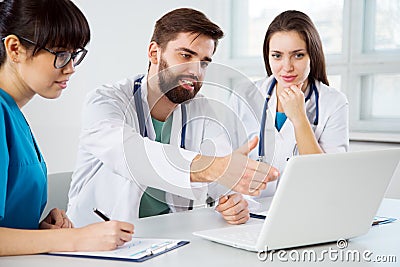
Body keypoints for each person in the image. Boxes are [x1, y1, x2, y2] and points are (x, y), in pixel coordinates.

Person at [67, 8, 279, 227]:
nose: (196, 71)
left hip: (167, 236)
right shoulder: (105, 102)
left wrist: (234, 202)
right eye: (185, 55)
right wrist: (214, 167)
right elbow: (130, 155)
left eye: (204, 62)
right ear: (154, 53)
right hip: (96, 241)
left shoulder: (202, 109)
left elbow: (221, 180)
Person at [0, 0, 134, 256]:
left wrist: (38, 232)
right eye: (61, 54)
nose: (71, 68)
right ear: (15, 48)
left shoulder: (12, 113)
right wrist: (75, 238)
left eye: (74, 55)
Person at [230, 10, 349, 198]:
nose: (287, 66)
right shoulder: (245, 94)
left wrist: (299, 118)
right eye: (277, 56)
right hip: (249, 210)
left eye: (298, 55)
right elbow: (227, 165)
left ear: (313, 55)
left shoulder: (333, 103)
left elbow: (327, 176)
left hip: (304, 207)